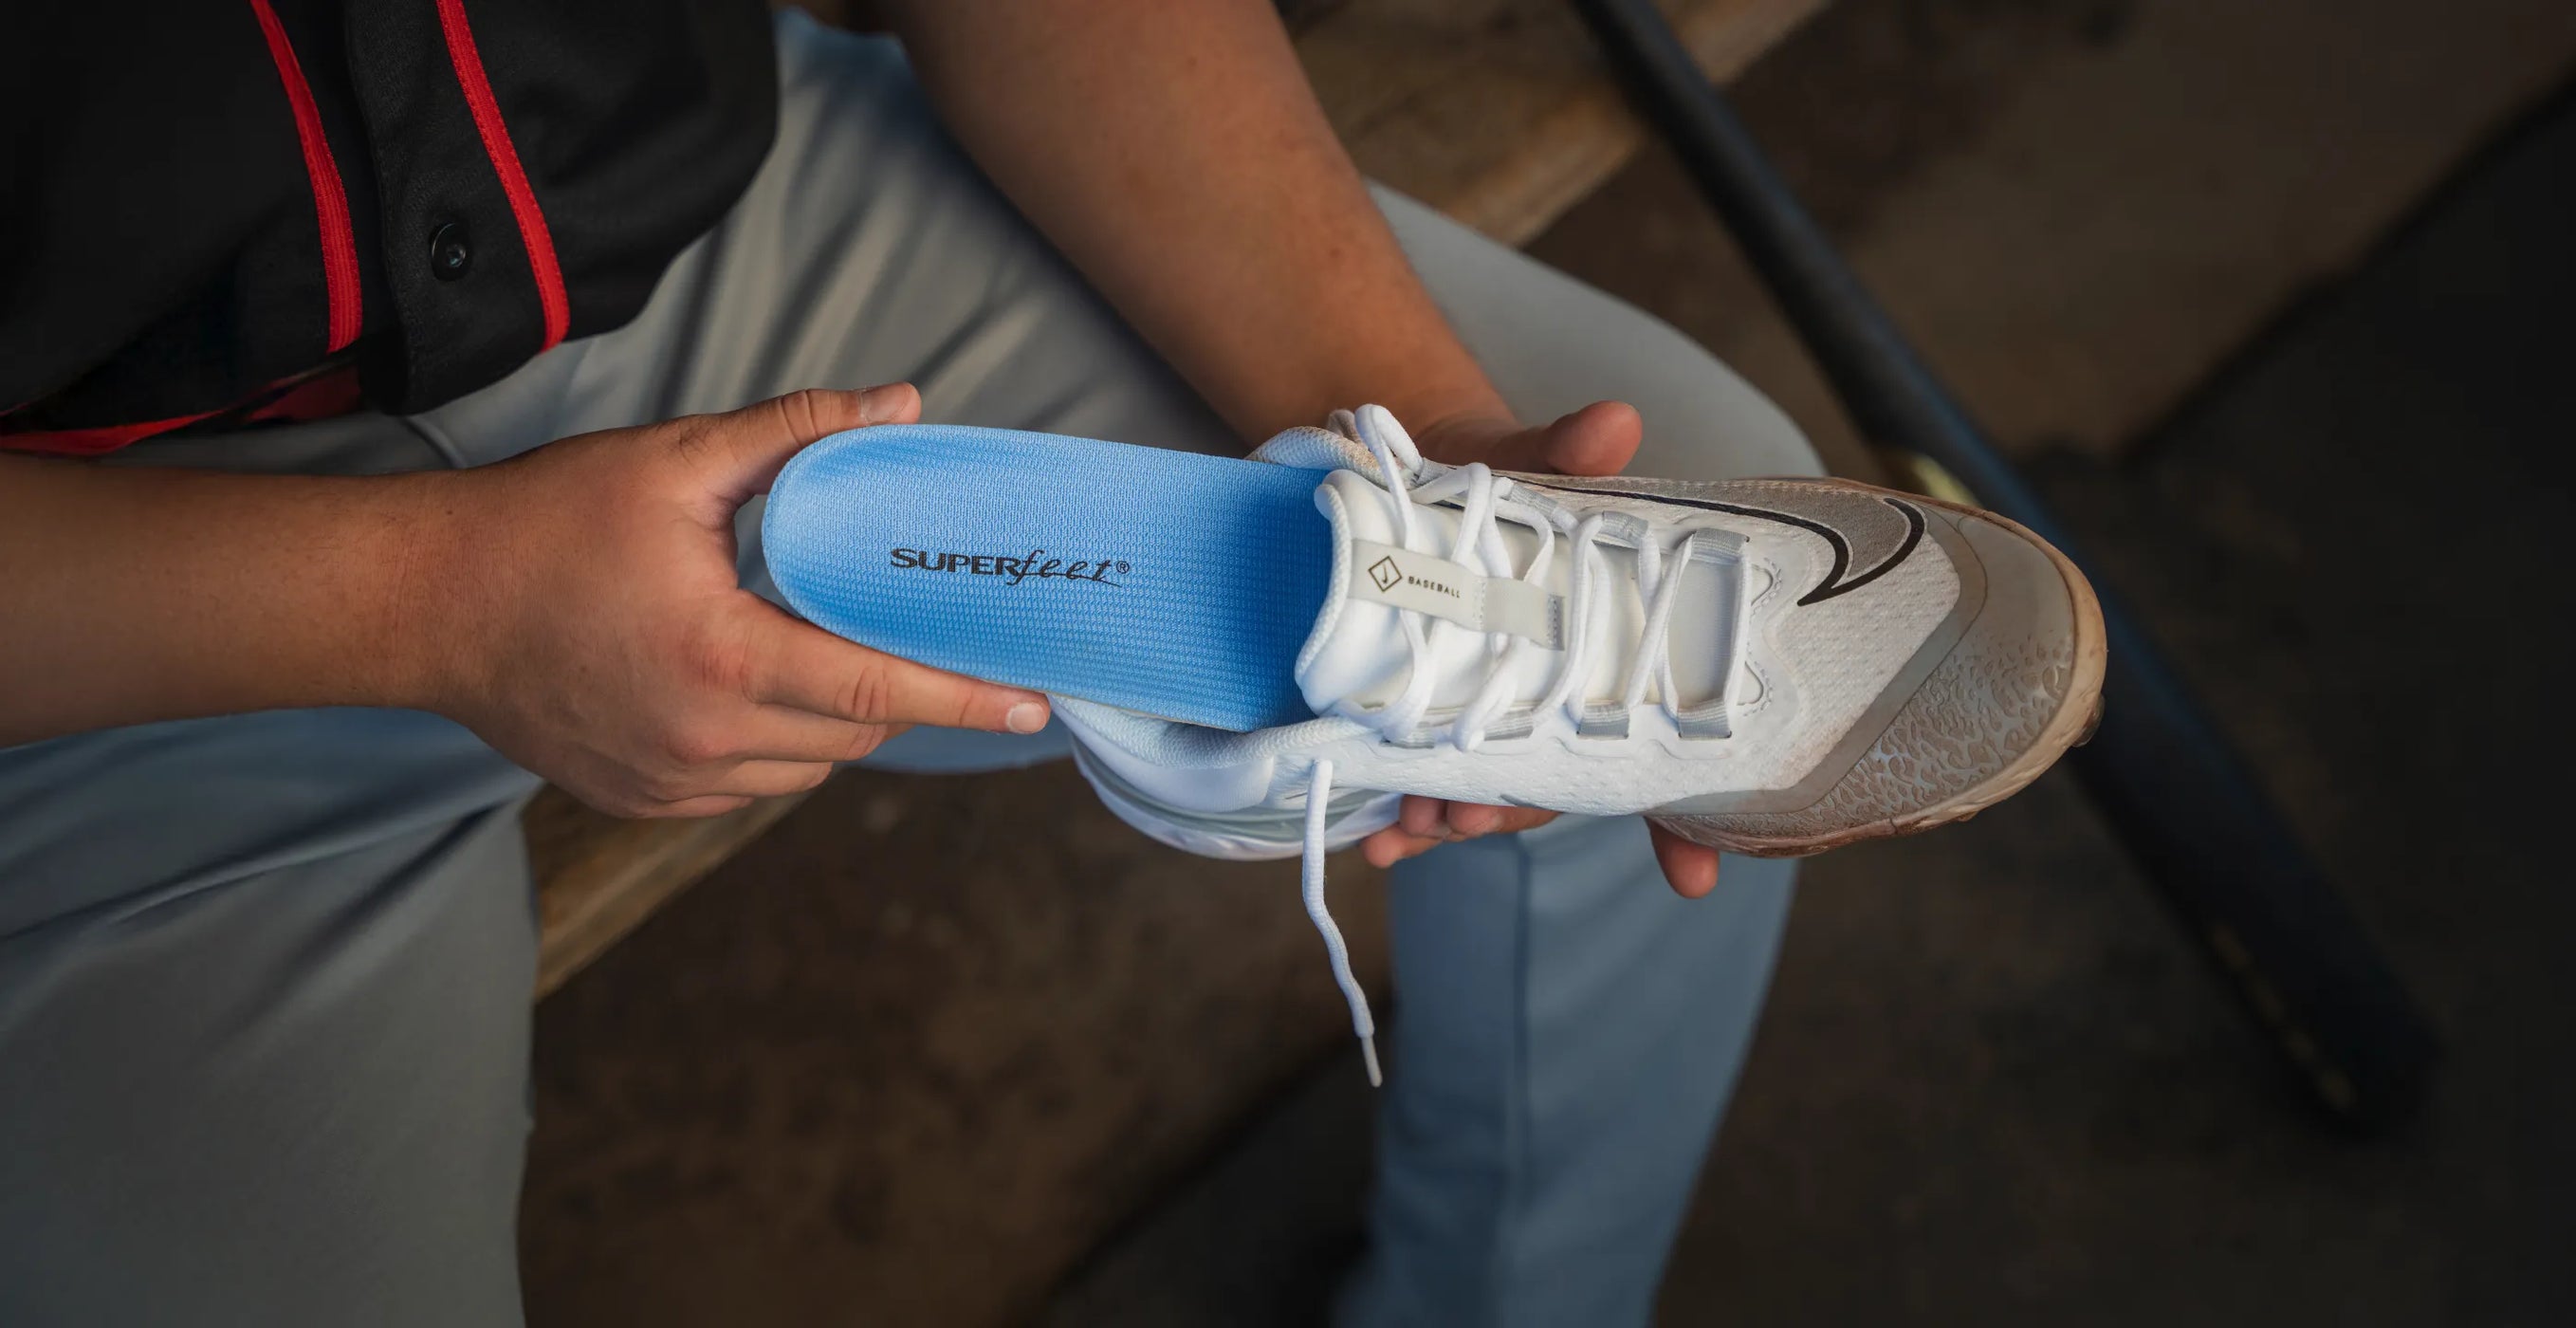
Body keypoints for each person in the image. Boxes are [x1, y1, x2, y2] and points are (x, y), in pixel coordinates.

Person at [0, 3, 1815, 1323]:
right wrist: (437, 605)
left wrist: (1412, 438)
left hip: (697, 248)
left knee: (1657, 636)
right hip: (109, 611)